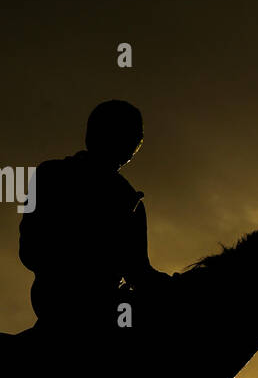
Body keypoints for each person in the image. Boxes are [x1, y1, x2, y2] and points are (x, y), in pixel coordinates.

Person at [19, 100, 167, 342]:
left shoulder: (131, 200)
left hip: (107, 304)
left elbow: (139, 272)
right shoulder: (53, 175)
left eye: (135, 137)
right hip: (61, 303)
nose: (133, 144)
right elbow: (31, 248)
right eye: (129, 135)